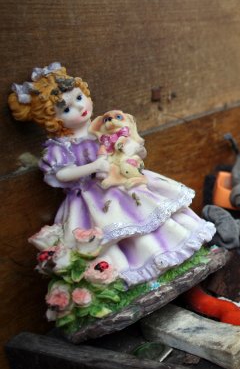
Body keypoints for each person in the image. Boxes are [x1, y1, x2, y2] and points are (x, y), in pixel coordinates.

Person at [9, 63, 216, 291]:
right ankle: (136, 275)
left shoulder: (103, 125)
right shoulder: (61, 147)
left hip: (125, 181)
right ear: (53, 120)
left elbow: (132, 146)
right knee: (112, 232)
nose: (80, 107)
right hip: (90, 197)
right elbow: (62, 173)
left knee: (149, 214)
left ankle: (170, 256)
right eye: (66, 109)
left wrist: (133, 150)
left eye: (79, 98)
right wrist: (93, 166)